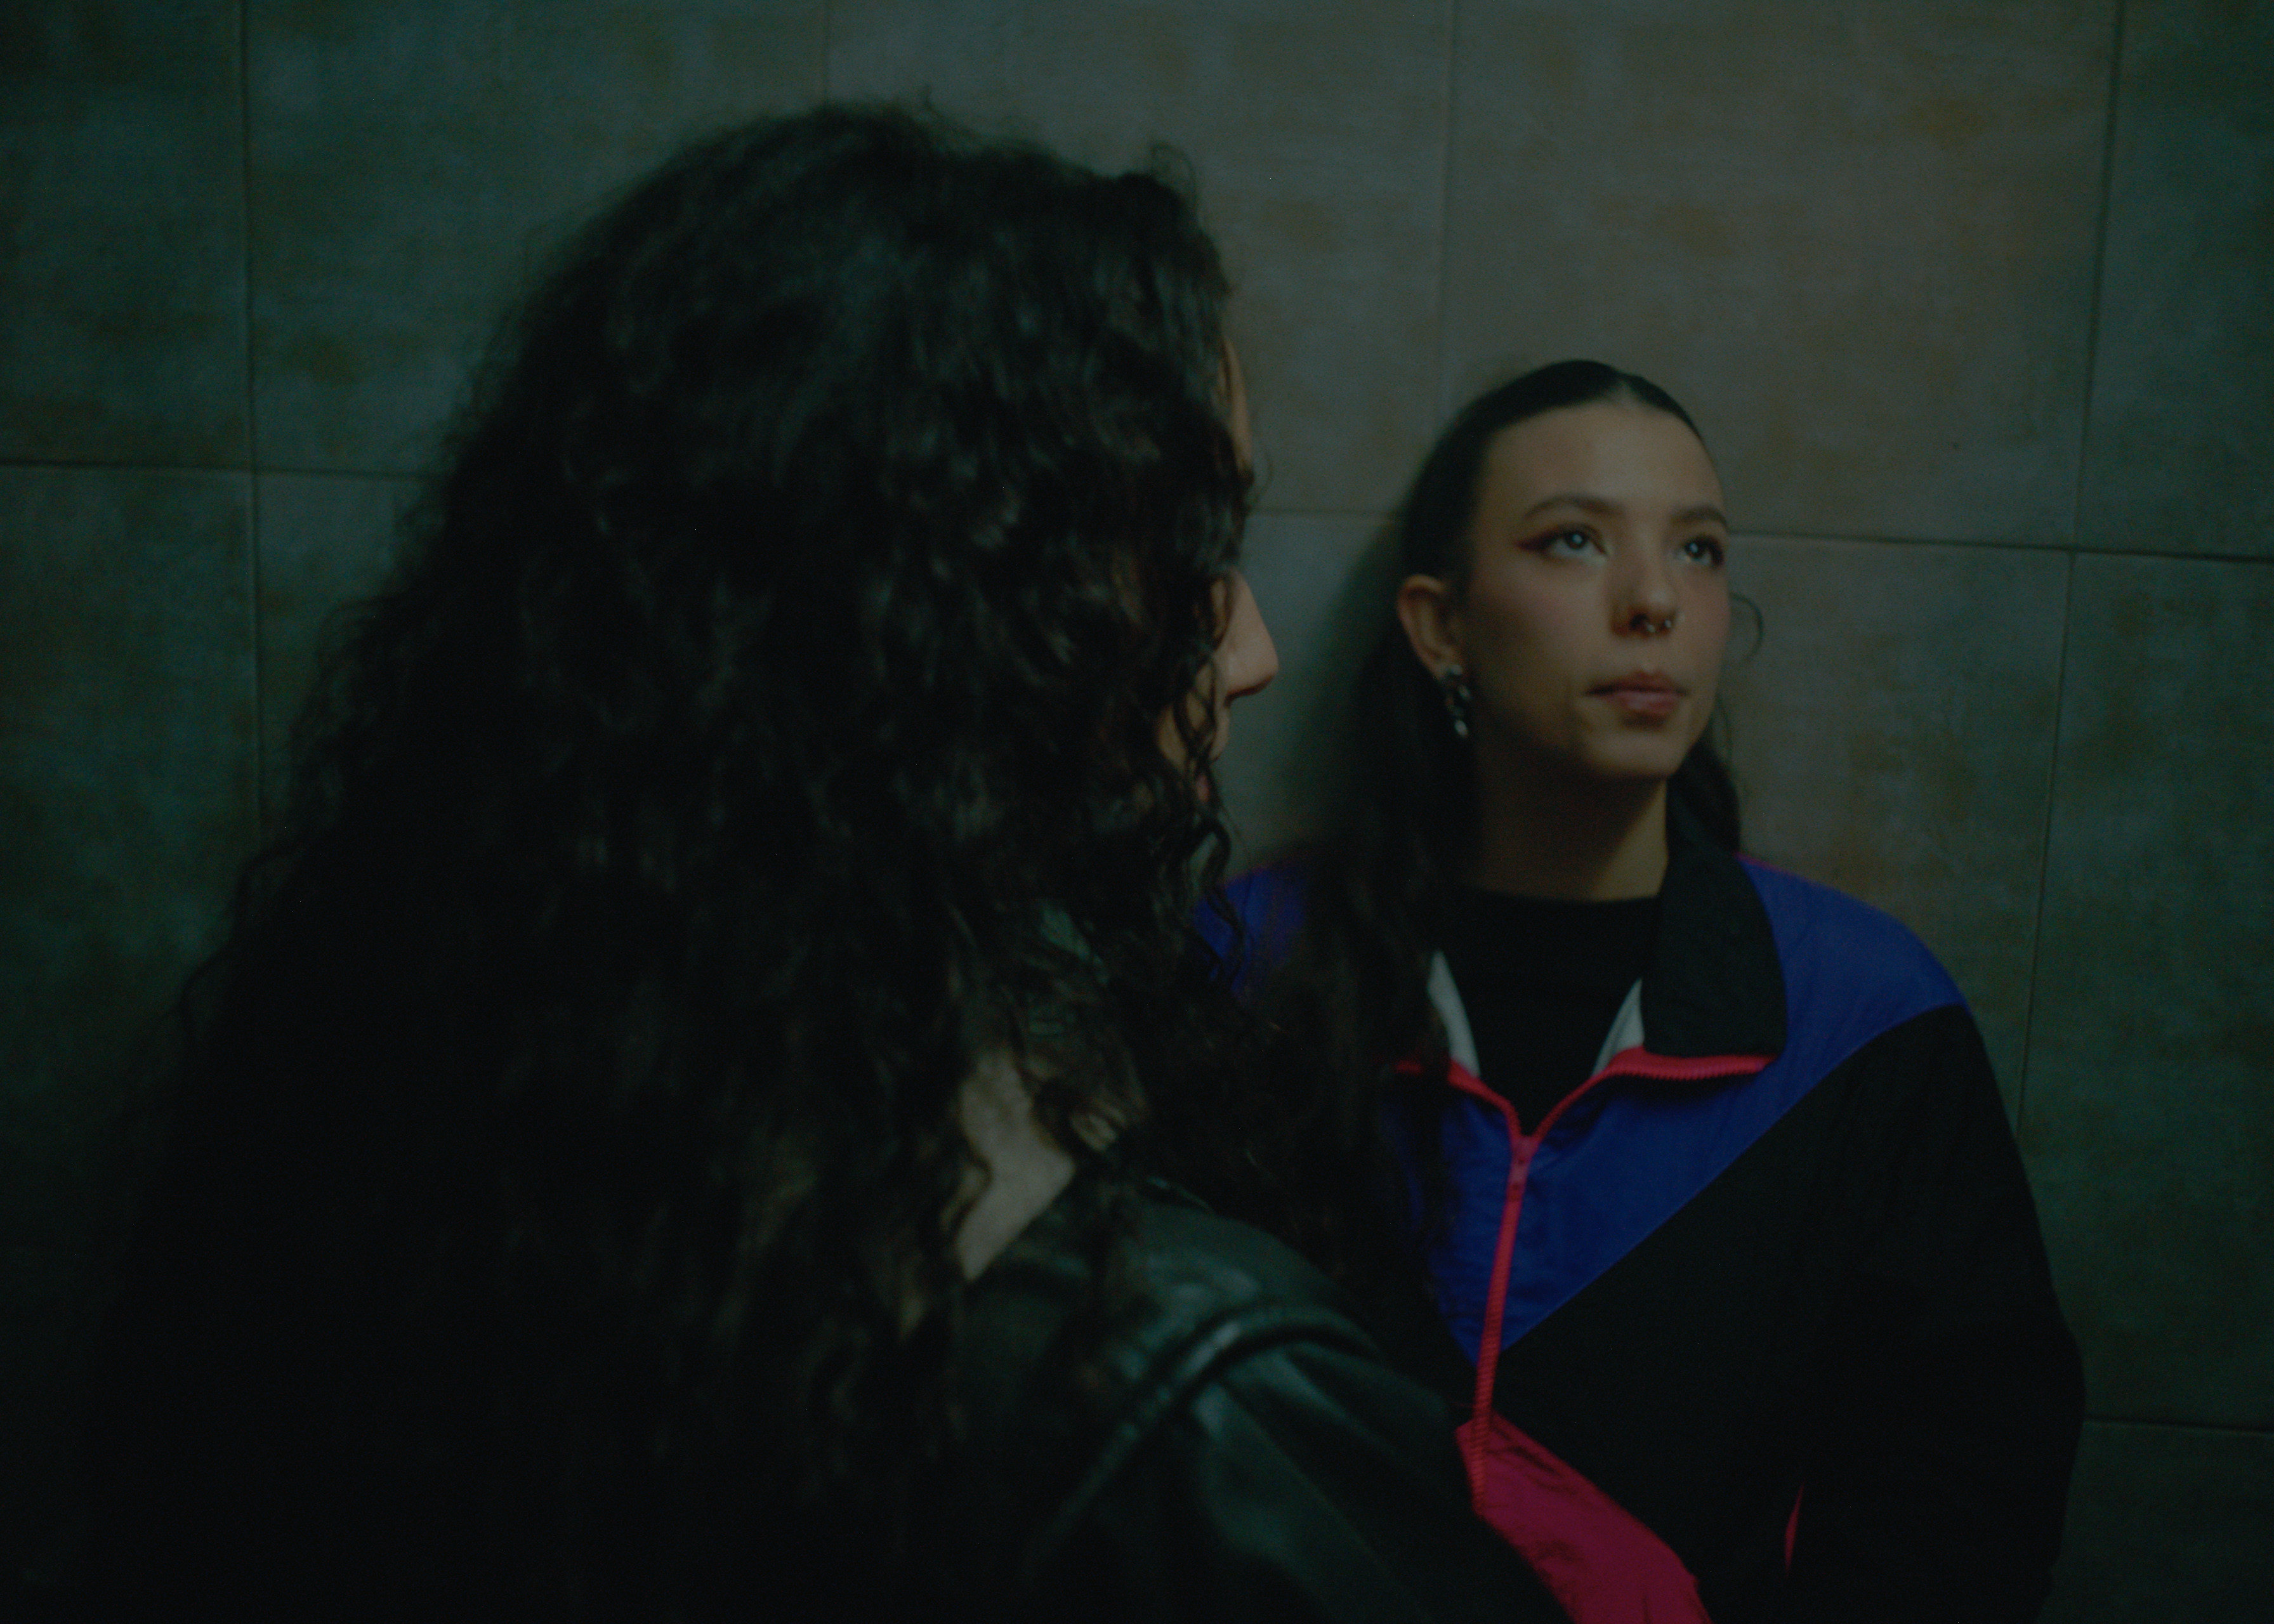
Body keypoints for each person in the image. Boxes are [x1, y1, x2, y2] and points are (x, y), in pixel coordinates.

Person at [82, 108, 1567, 1623]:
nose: (1249, 648)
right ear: (944, 614)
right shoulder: (1184, 1400)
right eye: (1191, 555)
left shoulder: (415, 1121)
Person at [1206, 361, 2084, 1622]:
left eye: (1699, 550)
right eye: (1574, 540)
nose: (1656, 600)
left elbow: (1964, 1492)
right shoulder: (1241, 970)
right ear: (1439, 626)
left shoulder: (1866, 1019)